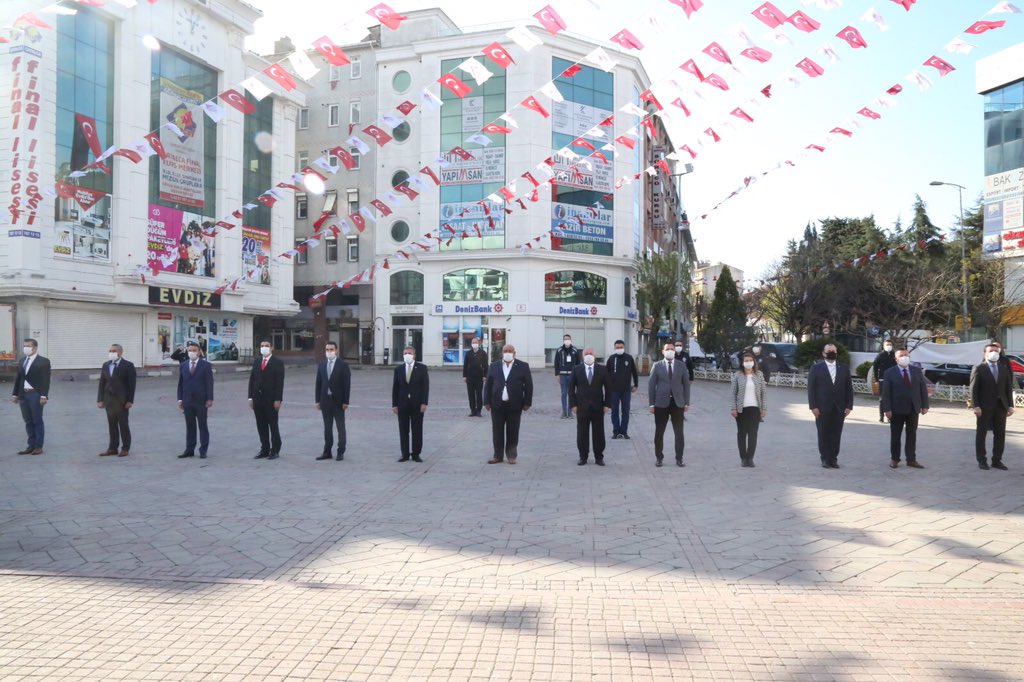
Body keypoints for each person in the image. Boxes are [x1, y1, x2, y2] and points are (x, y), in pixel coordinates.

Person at [807, 343, 854, 469]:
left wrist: (849, 405)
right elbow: (811, 389)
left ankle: (833, 458)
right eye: (829, 351)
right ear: (823, 353)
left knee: (836, 433)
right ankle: (825, 458)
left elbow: (849, 388)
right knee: (823, 433)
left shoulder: (843, 368)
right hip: (822, 407)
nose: (831, 353)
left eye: (834, 351)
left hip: (839, 407)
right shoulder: (816, 368)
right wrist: (813, 406)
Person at [484, 344, 533, 464]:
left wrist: (527, 402)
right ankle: (498, 455)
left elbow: (529, 385)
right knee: (497, 431)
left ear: (514, 353)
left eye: (510, 351)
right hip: (497, 404)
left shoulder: (523, 366)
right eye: (505, 351)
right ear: (502, 353)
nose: (507, 353)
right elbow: (488, 385)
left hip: (515, 404)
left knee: (513, 430)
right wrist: (486, 401)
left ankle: (511, 455)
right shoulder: (494, 366)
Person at [881, 349, 929, 469]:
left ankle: (911, 459)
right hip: (896, 409)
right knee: (896, 435)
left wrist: (925, 405)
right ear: (896, 359)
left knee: (912, 435)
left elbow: (923, 389)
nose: (904, 357)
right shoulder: (889, 372)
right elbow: (886, 393)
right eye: (901, 356)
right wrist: (887, 409)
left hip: (913, 408)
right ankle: (895, 459)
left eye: (906, 355)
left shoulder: (917, 371)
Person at [970, 343, 1014, 470]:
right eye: (991, 350)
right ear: (985, 354)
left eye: (996, 350)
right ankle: (982, 460)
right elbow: (974, 389)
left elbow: (1008, 388)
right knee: (982, 433)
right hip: (984, 407)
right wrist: (976, 406)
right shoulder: (979, 368)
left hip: (1001, 406)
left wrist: (1010, 405)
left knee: (1000, 434)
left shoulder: (1003, 368)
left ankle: (997, 460)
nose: (994, 352)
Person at [648, 342, 691, 467]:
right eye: (668, 349)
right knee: (659, 432)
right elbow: (651, 386)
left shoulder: (681, 366)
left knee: (679, 432)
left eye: (672, 349)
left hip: (678, 403)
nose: (671, 351)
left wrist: (687, 402)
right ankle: (659, 457)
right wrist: (651, 404)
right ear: (663, 351)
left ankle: (679, 458)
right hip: (661, 403)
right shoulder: (657, 366)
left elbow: (686, 385)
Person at [569, 347, 611, 465]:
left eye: (590, 353)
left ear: (594, 355)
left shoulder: (602, 369)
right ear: (582, 356)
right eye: (586, 353)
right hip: (581, 407)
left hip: (598, 407)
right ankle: (583, 456)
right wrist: (573, 405)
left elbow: (608, 388)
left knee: (599, 433)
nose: (588, 355)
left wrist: (607, 404)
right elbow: (571, 389)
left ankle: (599, 457)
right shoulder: (576, 369)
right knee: (582, 433)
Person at [11, 339, 51, 455]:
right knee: (28, 421)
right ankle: (30, 445)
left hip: (35, 394)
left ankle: (38, 446)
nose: (26, 348)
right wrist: (15, 394)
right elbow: (19, 378)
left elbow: (46, 380)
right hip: (23, 394)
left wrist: (44, 396)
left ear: (35, 348)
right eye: (24, 346)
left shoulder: (43, 361)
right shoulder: (22, 361)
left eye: (28, 346)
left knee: (37, 420)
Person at [96, 344, 137, 457]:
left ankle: (125, 448)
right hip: (109, 400)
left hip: (122, 401)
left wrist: (130, 400)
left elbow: (131, 385)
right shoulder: (106, 365)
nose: (111, 352)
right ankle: (112, 448)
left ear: (120, 352)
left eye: (113, 351)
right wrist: (100, 399)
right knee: (112, 425)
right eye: (110, 350)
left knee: (123, 425)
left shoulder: (128, 366)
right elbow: (102, 383)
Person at [176, 341, 214, 459]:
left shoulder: (205, 365)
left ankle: (203, 450)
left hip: (201, 401)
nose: (191, 352)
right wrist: (180, 399)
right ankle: (189, 449)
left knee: (202, 426)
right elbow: (181, 383)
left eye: (194, 350)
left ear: (199, 352)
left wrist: (209, 398)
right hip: (187, 401)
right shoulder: (183, 365)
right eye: (189, 350)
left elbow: (209, 383)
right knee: (190, 426)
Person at [249, 340, 285, 460]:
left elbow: (280, 383)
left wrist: (278, 399)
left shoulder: (277, 362)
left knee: (273, 425)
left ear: (271, 348)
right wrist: (250, 397)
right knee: (261, 425)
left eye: (266, 346)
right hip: (257, 399)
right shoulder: (257, 361)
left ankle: (275, 449)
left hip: (271, 399)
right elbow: (252, 380)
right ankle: (264, 448)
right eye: (262, 346)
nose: (264, 348)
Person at [730, 352, 767, 468]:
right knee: (742, 434)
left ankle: (750, 458)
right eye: (746, 360)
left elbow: (763, 393)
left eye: (750, 360)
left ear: (754, 361)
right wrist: (733, 408)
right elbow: (733, 393)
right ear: (742, 362)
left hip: (755, 409)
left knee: (753, 434)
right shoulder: (738, 375)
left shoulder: (759, 375)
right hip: (741, 409)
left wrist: (764, 408)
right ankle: (743, 458)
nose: (748, 362)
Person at [315, 341, 350, 461]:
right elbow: (318, 383)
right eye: (327, 349)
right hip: (325, 401)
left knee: (341, 427)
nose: (329, 352)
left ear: (336, 350)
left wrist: (346, 401)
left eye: (331, 349)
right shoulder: (322, 364)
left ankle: (341, 451)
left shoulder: (343, 365)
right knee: (327, 428)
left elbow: (347, 385)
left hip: (338, 402)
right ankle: (327, 451)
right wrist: (317, 400)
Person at [392, 346, 428, 462]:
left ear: (414, 355)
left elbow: (425, 387)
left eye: (409, 353)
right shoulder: (398, 369)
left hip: (417, 404)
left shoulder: (422, 368)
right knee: (403, 430)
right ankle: (405, 454)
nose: (407, 355)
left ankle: (416, 453)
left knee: (417, 430)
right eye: (405, 353)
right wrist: (394, 404)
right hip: (402, 404)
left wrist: (424, 402)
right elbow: (395, 388)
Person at [606, 339, 638, 440]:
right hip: (614, 391)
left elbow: (634, 372)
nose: (619, 349)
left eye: (621, 347)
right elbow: (606, 374)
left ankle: (624, 432)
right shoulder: (611, 358)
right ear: (614, 348)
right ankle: (616, 431)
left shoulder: (629, 358)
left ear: (624, 347)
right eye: (617, 347)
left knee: (625, 411)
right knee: (614, 411)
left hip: (626, 390)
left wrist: (635, 385)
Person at [553, 334, 580, 419]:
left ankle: (570, 412)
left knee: (571, 394)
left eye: (568, 339)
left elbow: (578, 363)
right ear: (563, 340)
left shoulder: (575, 350)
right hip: (563, 375)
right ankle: (564, 412)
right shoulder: (559, 350)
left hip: (572, 375)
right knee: (564, 393)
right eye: (565, 339)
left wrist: (578, 375)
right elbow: (556, 362)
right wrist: (557, 374)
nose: (567, 340)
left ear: (571, 340)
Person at [462, 337, 488, 417]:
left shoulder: (483, 353)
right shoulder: (468, 353)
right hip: (470, 377)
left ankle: (479, 410)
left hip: (479, 377)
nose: (474, 344)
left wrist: (485, 375)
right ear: (471, 344)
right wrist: (464, 376)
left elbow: (486, 365)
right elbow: (465, 365)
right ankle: (473, 410)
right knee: (471, 394)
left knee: (479, 394)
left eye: (476, 342)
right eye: (473, 342)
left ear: (479, 343)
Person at [872, 340, 897, 423]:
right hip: (882, 379)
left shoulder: (895, 355)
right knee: (882, 399)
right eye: (887, 344)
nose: (889, 346)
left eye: (890, 344)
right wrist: (876, 379)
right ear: (883, 346)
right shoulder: (880, 355)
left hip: (893, 380)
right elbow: (875, 367)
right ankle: (881, 416)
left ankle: (890, 417)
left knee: (892, 399)